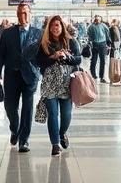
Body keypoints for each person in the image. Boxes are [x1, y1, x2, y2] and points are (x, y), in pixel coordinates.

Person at [0, 3, 43, 153]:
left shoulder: (38, 33)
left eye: (26, 13)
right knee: (10, 107)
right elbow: (0, 53)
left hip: (30, 76)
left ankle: (24, 140)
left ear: (31, 14)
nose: (24, 16)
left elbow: (43, 54)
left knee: (27, 108)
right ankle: (14, 128)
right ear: (17, 15)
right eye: (21, 13)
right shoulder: (8, 33)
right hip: (11, 75)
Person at [30, 15, 82, 156]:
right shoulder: (44, 43)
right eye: (53, 25)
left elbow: (79, 59)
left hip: (67, 83)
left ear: (62, 26)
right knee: (53, 114)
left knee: (66, 115)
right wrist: (52, 57)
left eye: (58, 25)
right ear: (49, 28)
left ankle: (62, 132)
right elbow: (38, 61)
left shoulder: (71, 42)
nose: (55, 28)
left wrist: (68, 57)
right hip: (50, 82)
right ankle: (55, 144)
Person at [87, 15, 110, 84]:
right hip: (95, 44)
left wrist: (109, 43)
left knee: (102, 60)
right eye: (96, 20)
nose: (97, 21)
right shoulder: (91, 27)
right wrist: (91, 40)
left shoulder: (104, 26)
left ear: (100, 20)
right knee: (94, 60)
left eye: (98, 20)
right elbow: (89, 35)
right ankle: (93, 75)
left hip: (102, 44)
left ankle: (102, 77)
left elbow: (107, 34)